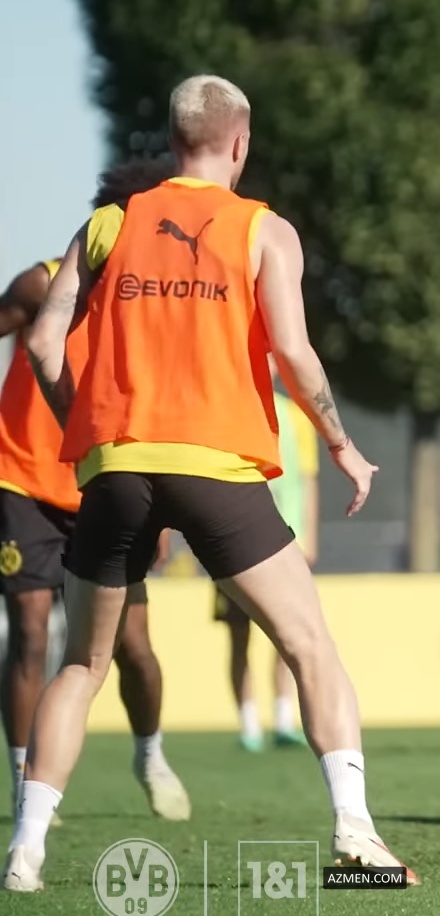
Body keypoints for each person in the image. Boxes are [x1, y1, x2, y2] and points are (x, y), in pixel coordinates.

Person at [4, 75, 418, 890]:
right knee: (310, 647)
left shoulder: (107, 224)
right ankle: (356, 836)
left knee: (80, 667)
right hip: (215, 468)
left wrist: (83, 429)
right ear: (240, 143)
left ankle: (25, 851)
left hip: (115, 468)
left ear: (172, 140)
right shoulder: (264, 229)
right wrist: (341, 446)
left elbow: (46, 344)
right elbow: (293, 354)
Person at [0, 159, 190, 832]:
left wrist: (165, 509)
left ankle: (151, 755)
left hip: (106, 485)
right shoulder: (42, 283)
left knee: (132, 646)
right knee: (30, 633)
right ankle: (26, 784)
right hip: (22, 479)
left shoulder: (160, 301)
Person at [214, 355, 319, 750]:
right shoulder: (227, 407)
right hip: (234, 540)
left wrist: (309, 538)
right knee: (239, 636)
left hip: (286, 541)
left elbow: (307, 480)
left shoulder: (296, 416)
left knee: (289, 632)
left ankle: (284, 717)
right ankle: (248, 724)